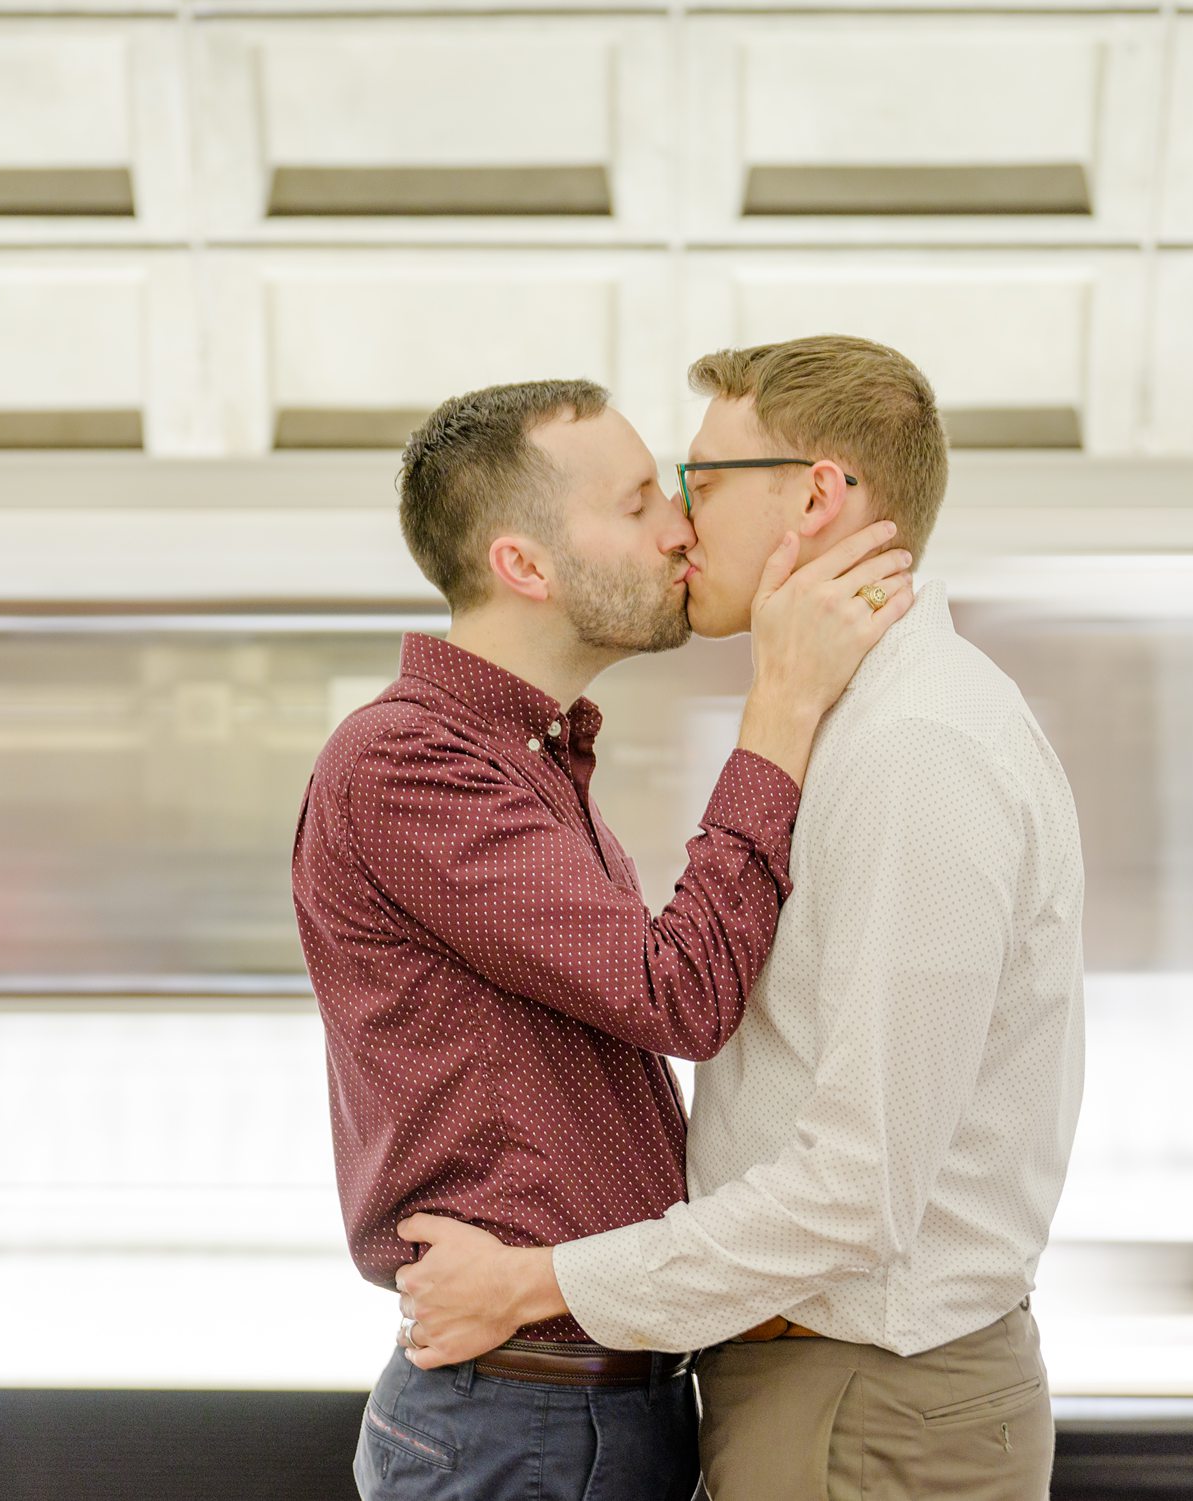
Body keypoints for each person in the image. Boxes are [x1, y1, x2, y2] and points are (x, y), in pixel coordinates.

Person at [392, 338, 1088, 1501]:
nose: (678, 520)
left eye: (701, 481)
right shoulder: (856, 727)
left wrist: (537, 1282)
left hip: (863, 1397)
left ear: (813, 494)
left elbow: (856, 1191)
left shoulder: (916, 751)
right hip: (826, 1387)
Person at [290, 376, 916, 1501]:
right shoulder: (408, 763)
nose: (680, 525)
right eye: (637, 505)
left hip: (582, 1404)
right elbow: (677, 993)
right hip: (520, 1419)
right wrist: (778, 706)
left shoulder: (535, 764)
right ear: (524, 565)